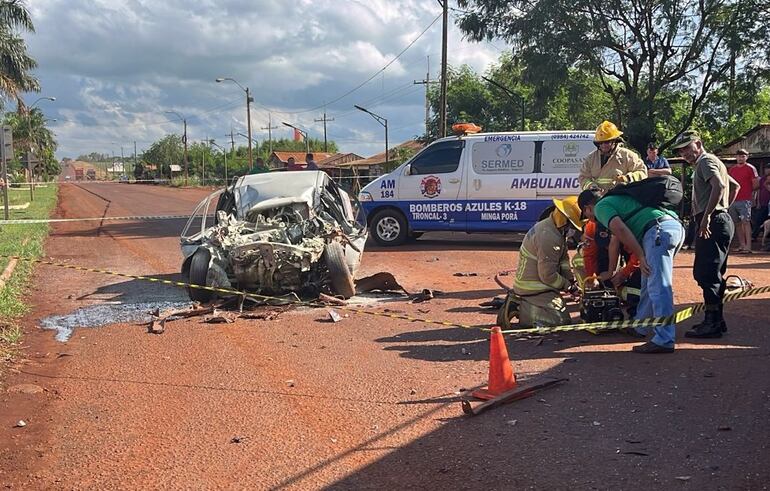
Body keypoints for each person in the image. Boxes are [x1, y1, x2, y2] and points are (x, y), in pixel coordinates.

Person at [578, 187, 684, 353]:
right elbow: (615, 240)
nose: (590, 219)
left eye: (587, 215)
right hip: (669, 227)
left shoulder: (601, 207)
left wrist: (640, 256)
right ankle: (640, 327)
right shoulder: (615, 201)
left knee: (658, 286)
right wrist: (612, 271)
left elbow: (620, 230)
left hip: (657, 232)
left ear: (588, 208)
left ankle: (664, 339)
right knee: (648, 282)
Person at [671, 130, 740, 338]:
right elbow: (734, 186)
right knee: (713, 273)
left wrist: (709, 215)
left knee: (706, 273)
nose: (684, 153)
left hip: (711, 222)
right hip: (720, 220)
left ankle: (712, 323)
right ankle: (716, 321)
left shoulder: (705, 161)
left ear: (698, 144)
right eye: (681, 151)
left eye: (687, 148)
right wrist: (723, 209)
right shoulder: (713, 162)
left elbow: (719, 186)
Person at [511, 196, 582, 328]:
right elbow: (547, 276)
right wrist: (568, 287)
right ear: (565, 221)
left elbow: (563, 260)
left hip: (541, 285)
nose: (575, 231)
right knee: (559, 322)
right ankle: (521, 308)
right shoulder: (549, 236)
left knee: (562, 318)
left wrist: (571, 281)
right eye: (574, 227)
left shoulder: (555, 230)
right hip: (533, 288)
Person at [577, 189, 641, 317]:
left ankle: (637, 315)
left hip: (638, 250)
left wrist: (624, 273)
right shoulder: (592, 226)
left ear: (587, 209)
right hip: (625, 253)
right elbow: (590, 254)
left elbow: (638, 254)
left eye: (585, 214)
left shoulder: (622, 220)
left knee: (637, 283)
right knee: (601, 266)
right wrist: (593, 278)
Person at [578, 121, 648, 193]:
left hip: (621, 197)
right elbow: (583, 177)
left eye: (607, 142)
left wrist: (627, 178)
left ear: (615, 141)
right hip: (598, 199)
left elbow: (642, 172)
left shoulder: (628, 156)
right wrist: (591, 186)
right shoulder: (591, 158)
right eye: (600, 143)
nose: (603, 145)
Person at [727, 149, 758, 253]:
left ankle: (748, 246)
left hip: (745, 199)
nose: (741, 158)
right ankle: (742, 245)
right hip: (733, 199)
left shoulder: (750, 168)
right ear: (736, 157)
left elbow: (756, 184)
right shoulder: (732, 169)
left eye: (743, 156)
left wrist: (750, 194)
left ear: (747, 157)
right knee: (737, 223)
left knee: (746, 222)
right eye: (739, 156)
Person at [751, 166, 770, 240]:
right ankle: (754, 236)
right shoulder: (762, 179)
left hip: (769, 204)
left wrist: (767, 184)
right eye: (766, 169)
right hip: (762, 203)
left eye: (768, 169)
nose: (767, 170)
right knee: (758, 220)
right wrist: (758, 202)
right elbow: (759, 190)